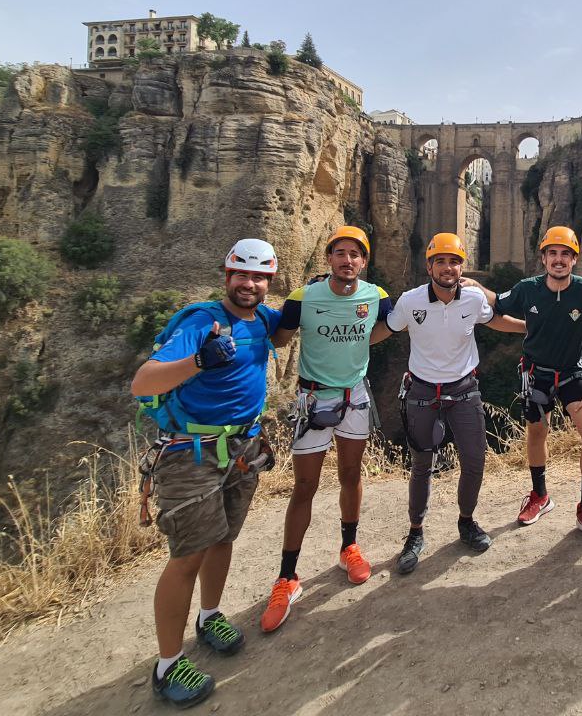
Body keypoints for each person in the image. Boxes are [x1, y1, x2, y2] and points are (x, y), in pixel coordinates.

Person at [131, 238, 282, 708]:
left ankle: (210, 615)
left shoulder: (264, 320)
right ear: (227, 275)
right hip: (191, 452)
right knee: (188, 555)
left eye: (259, 277)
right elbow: (143, 381)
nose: (249, 284)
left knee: (222, 539)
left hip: (242, 447)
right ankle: (167, 665)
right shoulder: (202, 322)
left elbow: (290, 326)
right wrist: (199, 360)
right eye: (241, 275)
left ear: (269, 282)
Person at [260, 225, 392, 634]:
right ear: (329, 258)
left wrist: (363, 343)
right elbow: (280, 340)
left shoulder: (377, 297)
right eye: (340, 253)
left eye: (355, 254)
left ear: (364, 262)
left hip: (355, 396)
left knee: (351, 475)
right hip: (313, 399)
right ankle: (287, 577)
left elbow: (390, 326)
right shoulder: (304, 297)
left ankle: (348, 547)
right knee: (305, 487)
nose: (347, 260)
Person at [384, 233, 527, 574]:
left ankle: (466, 521)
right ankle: (415, 533)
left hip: (464, 389)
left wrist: (530, 328)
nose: (448, 267)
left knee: (475, 460)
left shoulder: (474, 298)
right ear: (429, 265)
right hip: (421, 393)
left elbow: (492, 319)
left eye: (454, 261)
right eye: (441, 261)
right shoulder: (410, 300)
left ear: (462, 266)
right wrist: (352, 343)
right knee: (422, 466)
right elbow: (386, 329)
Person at [474, 226, 582, 547]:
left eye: (565, 254)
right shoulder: (528, 289)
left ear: (574, 260)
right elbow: (498, 305)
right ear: (543, 258)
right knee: (537, 432)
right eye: (552, 253)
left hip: (571, 373)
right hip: (536, 373)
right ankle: (539, 495)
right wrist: (475, 286)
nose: (559, 259)